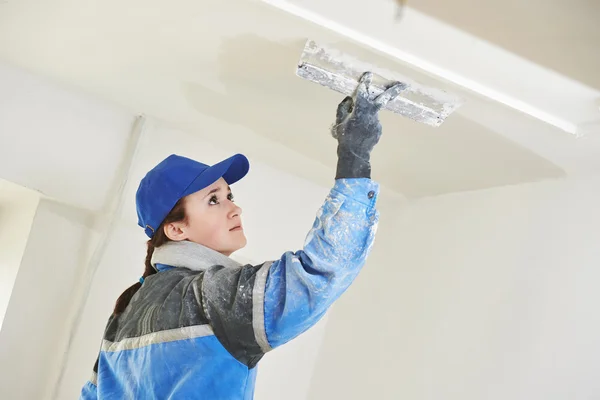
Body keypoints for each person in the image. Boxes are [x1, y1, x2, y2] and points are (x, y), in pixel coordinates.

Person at [80, 72, 405, 399]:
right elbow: (320, 273)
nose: (234, 210)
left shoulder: (125, 311)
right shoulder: (209, 297)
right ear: (176, 229)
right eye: (213, 200)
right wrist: (354, 158)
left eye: (228, 196)